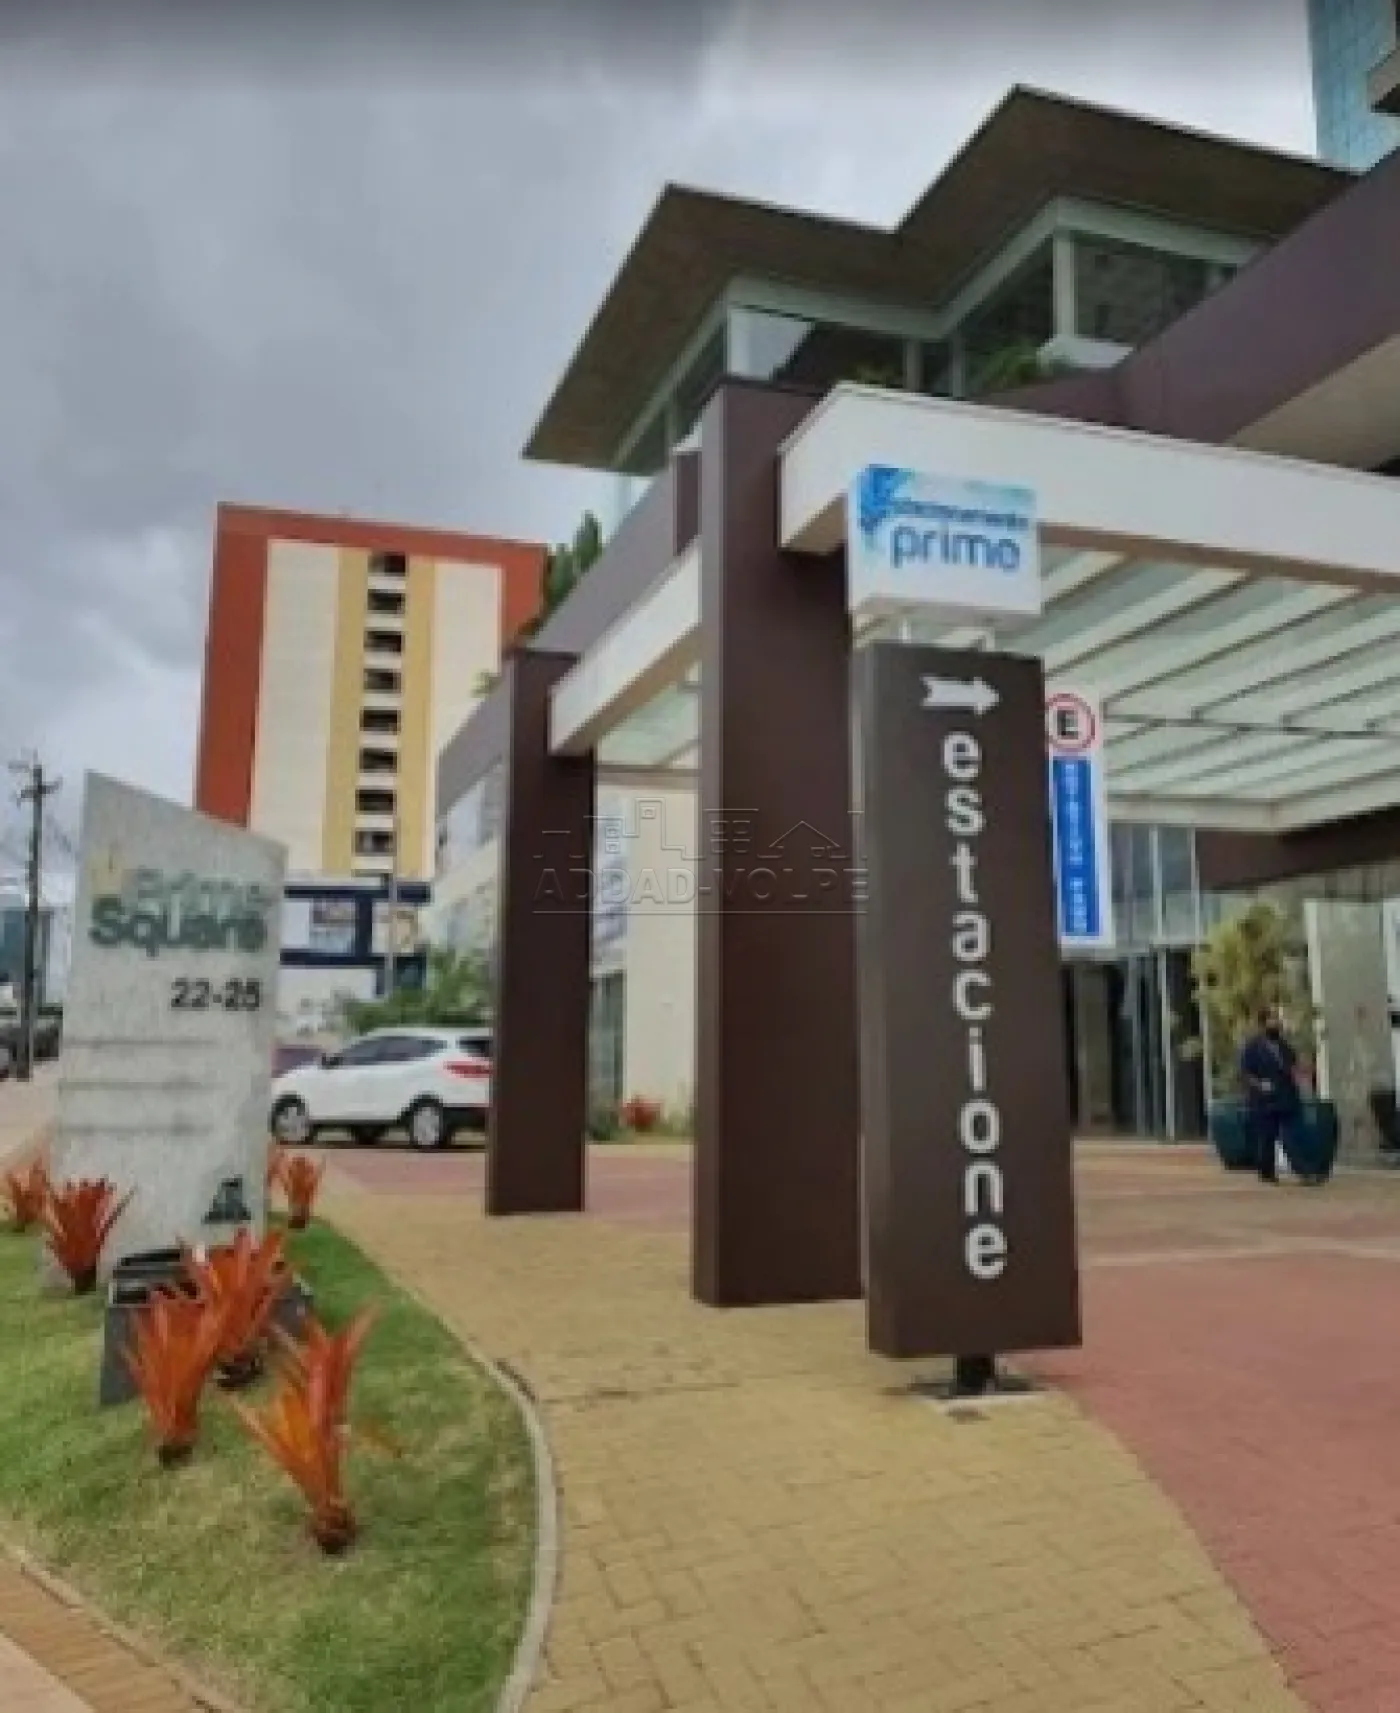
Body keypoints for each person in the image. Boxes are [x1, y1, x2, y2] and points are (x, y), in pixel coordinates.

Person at [1239, 1006, 1322, 1186]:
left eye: (1277, 1019)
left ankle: (1304, 1172)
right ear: (1263, 1024)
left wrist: (1304, 1077)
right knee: (1266, 1139)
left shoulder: (1284, 1046)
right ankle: (1266, 1172)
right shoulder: (1252, 1047)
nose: (1276, 1023)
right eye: (1272, 1019)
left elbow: (1293, 1068)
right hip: (1264, 1101)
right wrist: (1260, 1085)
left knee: (1292, 1136)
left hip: (1287, 1098)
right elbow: (1246, 1073)